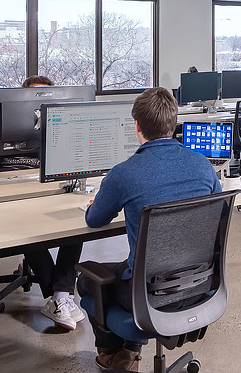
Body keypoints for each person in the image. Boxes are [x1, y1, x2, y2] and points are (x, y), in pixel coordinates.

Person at [80, 87, 220, 372]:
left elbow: (94, 220)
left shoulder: (123, 173)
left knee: (87, 281)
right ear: (174, 123)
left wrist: (99, 200)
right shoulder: (203, 166)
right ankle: (128, 352)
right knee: (129, 270)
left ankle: (113, 356)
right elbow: (216, 215)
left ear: (137, 125)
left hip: (147, 295)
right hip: (199, 287)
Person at [0, 75, 85, 331]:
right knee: (26, 230)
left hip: (50, 191)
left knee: (79, 225)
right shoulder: (3, 127)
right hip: (10, 192)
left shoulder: (60, 134)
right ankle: (61, 296)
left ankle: (60, 297)